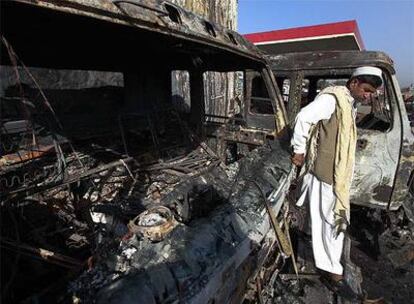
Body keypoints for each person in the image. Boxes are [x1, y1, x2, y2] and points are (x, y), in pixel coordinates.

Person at [290, 66, 383, 300]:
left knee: (329, 222)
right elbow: (303, 117)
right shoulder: (332, 100)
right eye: (366, 90)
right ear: (354, 83)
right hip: (325, 175)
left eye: (372, 93)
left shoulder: (348, 103)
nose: (368, 96)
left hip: (333, 176)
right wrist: (299, 150)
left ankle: (329, 262)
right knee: (330, 224)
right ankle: (332, 273)